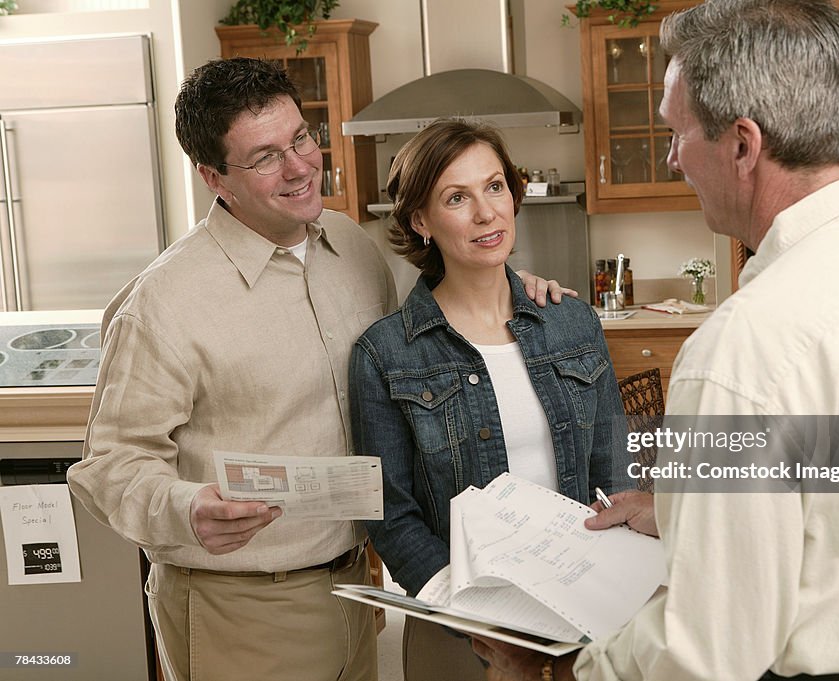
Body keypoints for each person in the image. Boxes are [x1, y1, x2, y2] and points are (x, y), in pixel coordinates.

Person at [473, 1, 839, 680]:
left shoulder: (743, 346)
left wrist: (561, 671)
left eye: (677, 132)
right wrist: (683, 508)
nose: (672, 156)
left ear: (741, 144)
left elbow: (705, 651)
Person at [66, 58, 571, 681]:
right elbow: (109, 463)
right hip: (241, 607)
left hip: (356, 591)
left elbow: (430, 341)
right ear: (212, 176)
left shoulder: (353, 249)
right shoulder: (165, 303)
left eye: (301, 138)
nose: (301, 166)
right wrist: (186, 506)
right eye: (265, 157)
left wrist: (520, 294)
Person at [348, 118, 632, 681]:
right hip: (459, 628)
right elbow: (390, 514)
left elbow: (612, 466)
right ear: (420, 221)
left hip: (585, 617)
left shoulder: (571, 322)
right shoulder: (385, 355)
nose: (486, 213)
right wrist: (480, 618)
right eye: (458, 197)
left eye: (495, 186)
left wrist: (613, 588)